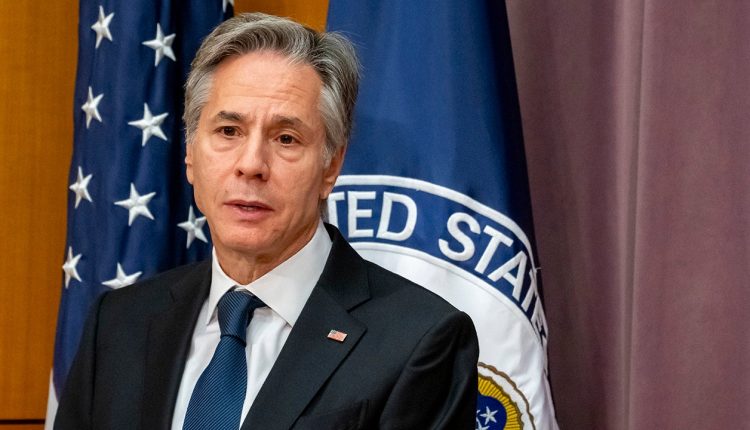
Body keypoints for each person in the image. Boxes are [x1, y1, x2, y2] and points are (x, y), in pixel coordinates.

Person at [55, 13, 479, 430]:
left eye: (286, 139)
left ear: (331, 166)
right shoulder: (118, 324)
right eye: (228, 131)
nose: (251, 164)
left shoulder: (418, 341)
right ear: (190, 153)